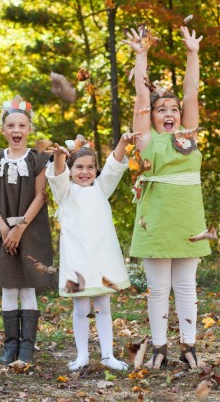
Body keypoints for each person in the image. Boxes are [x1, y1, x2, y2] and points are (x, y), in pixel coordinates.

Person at [122, 25, 211, 369]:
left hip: (188, 218)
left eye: (173, 109)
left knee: (186, 285)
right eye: (163, 110)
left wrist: (193, 53)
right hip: (155, 219)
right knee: (159, 288)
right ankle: (159, 346)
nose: (170, 113)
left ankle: (189, 346)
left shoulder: (188, 137)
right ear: (154, 117)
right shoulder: (146, 140)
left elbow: (191, 94)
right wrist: (141, 55)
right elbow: (141, 99)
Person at [45, 134, 136, 371]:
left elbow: (114, 166)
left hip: (101, 258)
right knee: (82, 309)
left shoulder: (101, 188)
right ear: (70, 169)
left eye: (90, 167)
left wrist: (123, 142)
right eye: (79, 167)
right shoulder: (65, 192)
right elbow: (57, 175)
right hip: (78, 260)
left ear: (96, 170)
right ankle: (82, 355)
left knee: (104, 307)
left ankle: (108, 355)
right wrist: (58, 157)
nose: (85, 172)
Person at [0, 95, 53, 365]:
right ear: (3, 130)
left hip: (30, 231)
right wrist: (3, 228)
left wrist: (19, 229)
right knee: (9, 288)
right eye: (11, 126)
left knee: (27, 288)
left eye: (22, 126)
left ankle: (27, 348)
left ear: (29, 129)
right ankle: (10, 345)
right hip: (2, 230)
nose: (16, 131)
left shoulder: (37, 160)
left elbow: (40, 195)